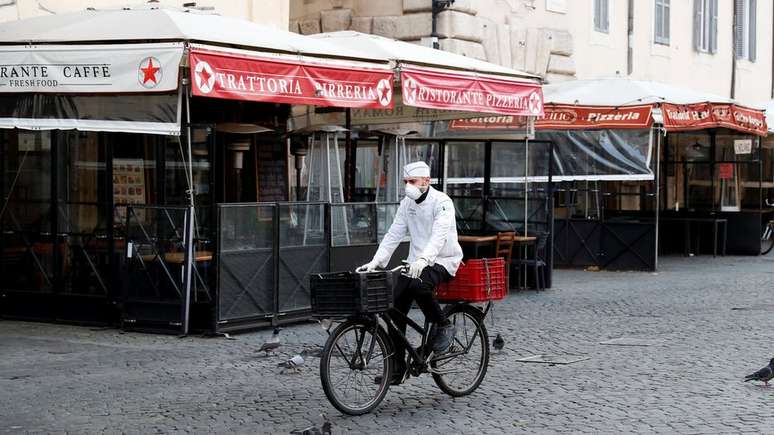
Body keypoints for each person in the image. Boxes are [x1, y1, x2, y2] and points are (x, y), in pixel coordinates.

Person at [356, 161, 463, 385]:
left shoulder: (442, 202)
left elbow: (439, 235)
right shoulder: (407, 203)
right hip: (415, 263)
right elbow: (394, 234)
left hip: (443, 260)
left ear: (427, 181)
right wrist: (376, 262)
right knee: (393, 304)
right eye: (405, 182)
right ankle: (398, 366)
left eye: (412, 182)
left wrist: (425, 259)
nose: (408, 186)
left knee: (418, 286)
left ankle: (444, 325)